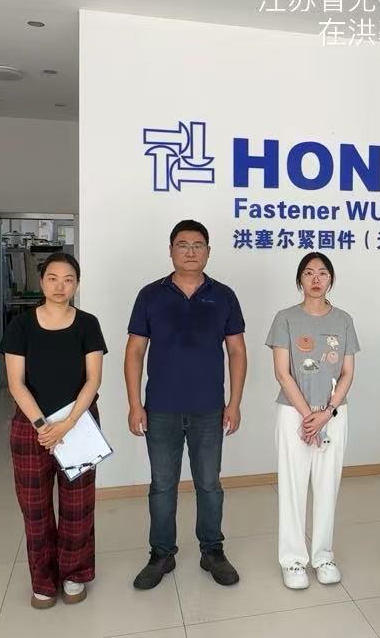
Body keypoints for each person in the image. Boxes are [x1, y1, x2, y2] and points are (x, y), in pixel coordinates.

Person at [126, 219, 247, 588]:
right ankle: (162, 554)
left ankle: (212, 550)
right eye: (183, 244)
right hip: (160, 408)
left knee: (209, 484)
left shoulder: (223, 295)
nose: (191, 251)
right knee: (162, 485)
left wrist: (234, 402)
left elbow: (237, 351)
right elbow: (134, 351)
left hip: (209, 408)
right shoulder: (150, 295)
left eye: (198, 245)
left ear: (208, 251)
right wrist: (135, 404)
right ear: (170, 251)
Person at [0, 253, 108, 609]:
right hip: (31, 429)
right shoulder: (21, 325)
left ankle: (74, 573)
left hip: (80, 425)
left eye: (68, 279)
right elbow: (16, 383)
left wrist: (68, 423)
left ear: (77, 284)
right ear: (42, 280)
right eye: (53, 278)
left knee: (78, 506)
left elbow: (93, 379)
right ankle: (43, 581)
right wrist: (43, 426)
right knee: (35, 509)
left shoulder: (88, 324)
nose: (60, 286)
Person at [266, 252, 360, 589]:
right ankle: (293, 560)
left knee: (327, 485)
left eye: (322, 273)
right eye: (308, 273)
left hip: (333, 413)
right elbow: (282, 373)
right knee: (292, 486)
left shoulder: (344, 320)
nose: (316, 279)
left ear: (331, 279)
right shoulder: (285, 319)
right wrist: (309, 417)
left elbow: (347, 372)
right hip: (294, 412)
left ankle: (323, 556)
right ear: (300, 280)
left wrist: (327, 413)